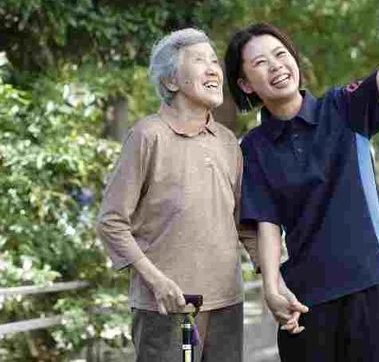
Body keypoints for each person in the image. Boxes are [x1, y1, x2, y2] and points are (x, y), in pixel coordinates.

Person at [223, 0, 379, 361]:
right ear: (245, 84)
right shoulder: (253, 149)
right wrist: (272, 285)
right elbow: (266, 222)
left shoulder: (344, 108)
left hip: (372, 286)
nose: (276, 67)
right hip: (307, 300)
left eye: (280, 54)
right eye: (260, 63)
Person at [96, 28, 259, 362]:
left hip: (228, 301)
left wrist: (274, 279)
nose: (214, 69)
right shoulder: (147, 135)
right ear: (171, 81)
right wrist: (157, 281)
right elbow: (111, 222)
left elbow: (245, 224)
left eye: (215, 62)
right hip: (165, 307)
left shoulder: (227, 141)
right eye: (200, 61)